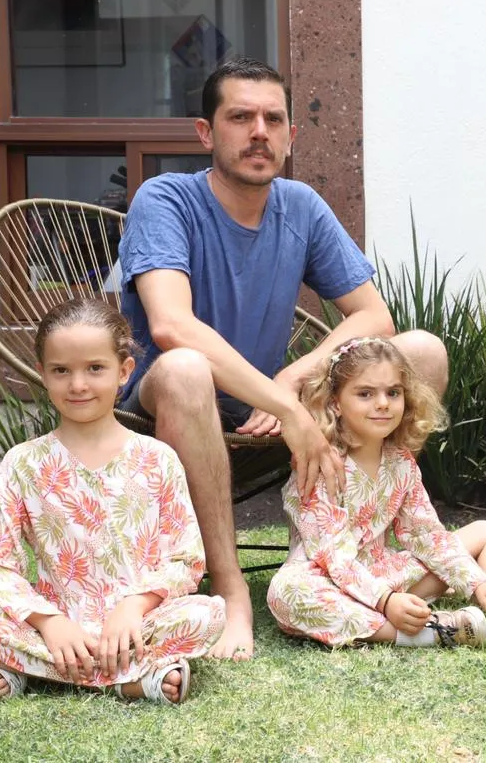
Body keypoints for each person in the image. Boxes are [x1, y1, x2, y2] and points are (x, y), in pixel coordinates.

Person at [116, 57, 447, 660]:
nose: (258, 132)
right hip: (164, 404)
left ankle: (353, 546)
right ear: (205, 132)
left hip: (266, 400)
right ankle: (232, 591)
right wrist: (286, 407)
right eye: (240, 117)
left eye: (273, 119)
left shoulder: (300, 206)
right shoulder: (165, 199)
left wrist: (294, 380)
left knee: (421, 351)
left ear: (292, 137)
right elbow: (170, 326)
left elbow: (375, 317)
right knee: (188, 368)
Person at [0, 299, 225, 703]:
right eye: (61, 370)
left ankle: (30, 669)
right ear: (43, 375)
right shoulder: (22, 463)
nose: (78, 385)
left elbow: (185, 560)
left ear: (124, 372)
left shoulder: (157, 459)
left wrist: (133, 607)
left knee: (207, 614)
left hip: (139, 623)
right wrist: (49, 623)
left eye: (95, 368)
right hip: (53, 626)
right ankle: (131, 681)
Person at [267, 337, 486, 648]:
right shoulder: (322, 464)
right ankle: (433, 631)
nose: (383, 403)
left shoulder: (400, 462)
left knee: (484, 531)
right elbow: (332, 557)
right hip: (328, 578)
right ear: (335, 402)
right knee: (288, 593)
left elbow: (425, 535)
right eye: (365, 394)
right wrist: (386, 601)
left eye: (393, 392)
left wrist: (477, 581)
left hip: (384, 573)